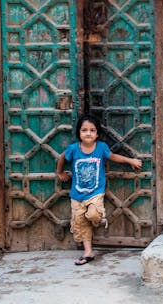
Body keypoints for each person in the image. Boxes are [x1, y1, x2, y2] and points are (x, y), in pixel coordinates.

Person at [56, 113, 142, 265]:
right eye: (84, 130)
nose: (88, 133)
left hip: (95, 193)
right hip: (77, 194)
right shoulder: (74, 149)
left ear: (97, 134)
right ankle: (88, 252)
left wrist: (131, 160)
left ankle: (96, 220)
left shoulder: (101, 148)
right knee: (81, 224)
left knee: (93, 215)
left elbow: (114, 157)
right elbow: (62, 158)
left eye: (92, 130)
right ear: (79, 133)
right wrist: (60, 172)